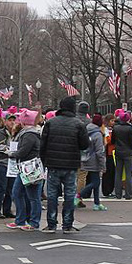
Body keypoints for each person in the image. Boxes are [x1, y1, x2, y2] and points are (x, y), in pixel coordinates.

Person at [40, 96, 90, 233]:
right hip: (71, 164)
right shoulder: (78, 124)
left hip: (53, 163)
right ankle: (67, 224)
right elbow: (85, 144)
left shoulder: (50, 123)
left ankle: (51, 224)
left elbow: (42, 145)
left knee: (52, 195)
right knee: (69, 195)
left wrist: (44, 161)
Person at [7, 110, 43, 230]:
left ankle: (33, 222)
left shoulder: (29, 135)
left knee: (32, 197)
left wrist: (10, 153)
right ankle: (21, 220)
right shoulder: (29, 133)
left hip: (30, 168)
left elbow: (23, 151)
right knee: (18, 193)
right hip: (26, 168)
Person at [0, 111, 17, 219]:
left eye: (13, 120)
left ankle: (7, 209)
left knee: (10, 188)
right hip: (1, 163)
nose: (12, 122)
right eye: (9, 120)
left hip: (12, 164)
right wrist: (5, 149)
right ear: (4, 121)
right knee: (1, 186)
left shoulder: (16, 133)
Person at [79, 114, 107, 211]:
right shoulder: (98, 134)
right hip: (94, 160)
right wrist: (103, 165)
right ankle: (78, 196)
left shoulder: (87, 130)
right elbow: (100, 151)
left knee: (95, 182)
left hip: (85, 157)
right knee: (95, 182)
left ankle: (97, 203)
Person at [112, 111, 132, 200]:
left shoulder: (115, 128)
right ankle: (128, 194)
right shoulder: (129, 129)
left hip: (118, 152)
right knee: (128, 174)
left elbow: (112, 140)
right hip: (128, 152)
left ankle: (118, 194)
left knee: (118, 173)